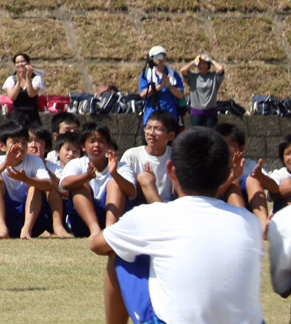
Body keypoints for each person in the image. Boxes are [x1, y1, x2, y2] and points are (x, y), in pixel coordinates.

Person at [92, 128, 262, 324]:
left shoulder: (152, 216)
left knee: (120, 250)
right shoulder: (249, 222)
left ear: (171, 170)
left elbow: (97, 245)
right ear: (226, 176)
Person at [0, 120, 56, 239]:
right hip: (6, 214)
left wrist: (25, 179)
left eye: (24, 142)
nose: (21, 147)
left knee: (35, 184)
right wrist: (5, 165)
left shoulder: (34, 161)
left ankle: (26, 229)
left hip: (34, 222)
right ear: (2, 146)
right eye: (15, 142)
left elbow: (49, 185)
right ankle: (2, 229)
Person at [110, 111, 180, 219]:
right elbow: (127, 191)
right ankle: (163, 219)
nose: (151, 133)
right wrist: (147, 182)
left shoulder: (176, 155)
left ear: (170, 135)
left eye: (158, 129)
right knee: (145, 177)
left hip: (169, 208)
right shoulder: (132, 155)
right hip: (139, 208)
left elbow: (179, 193)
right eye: (148, 128)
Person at [60, 125, 118, 238]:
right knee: (79, 184)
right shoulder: (76, 163)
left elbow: (132, 192)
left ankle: (110, 230)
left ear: (107, 145)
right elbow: (64, 185)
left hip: (111, 215)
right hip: (81, 221)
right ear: (83, 147)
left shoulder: (119, 165)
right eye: (92, 141)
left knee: (115, 183)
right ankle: (94, 229)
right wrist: (86, 177)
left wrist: (115, 174)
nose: (97, 145)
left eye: (101, 141)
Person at [137, 45, 185, 126]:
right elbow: (143, 94)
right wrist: (160, 86)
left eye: (163, 56)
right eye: (158, 56)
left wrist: (169, 85)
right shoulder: (147, 74)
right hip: (151, 113)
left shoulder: (173, 74)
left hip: (170, 113)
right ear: (152, 58)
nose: (161, 59)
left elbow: (180, 95)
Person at [182, 53, 225, 129]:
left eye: (204, 63)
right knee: (197, 135)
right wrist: (194, 61)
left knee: (211, 135)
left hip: (211, 111)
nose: (202, 65)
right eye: (200, 63)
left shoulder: (214, 76)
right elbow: (183, 70)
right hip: (196, 112)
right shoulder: (193, 77)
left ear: (208, 65)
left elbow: (221, 69)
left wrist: (211, 60)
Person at [2, 52, 44, 128]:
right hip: (17, 115)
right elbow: (12, 97)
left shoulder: (36, 78)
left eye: (23, 61)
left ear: (28, 63)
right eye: (17, 62)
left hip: (32, 114)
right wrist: (18, 82)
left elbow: (31, 94)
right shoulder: (11, 79)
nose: (20, 64)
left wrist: (28, 78)